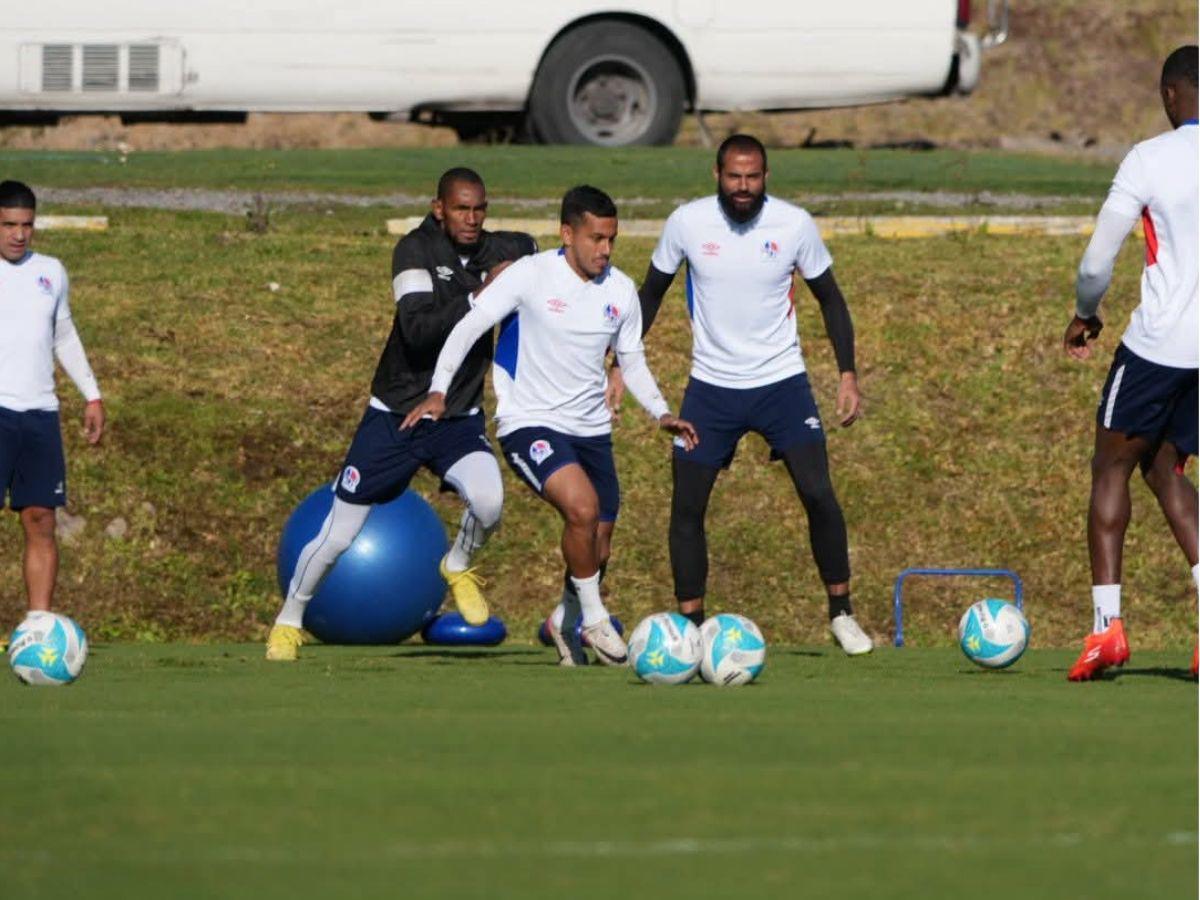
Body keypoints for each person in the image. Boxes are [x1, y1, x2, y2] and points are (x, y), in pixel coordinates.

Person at [403, 185, 698, 666]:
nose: (604, 250)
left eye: (612, 240)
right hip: (530, 423)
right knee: (581, 510)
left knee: (597, 546)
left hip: (592, 431)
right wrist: (439, 389)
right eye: (595, 238)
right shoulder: (530, 276)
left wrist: (661, 411)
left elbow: (632, 361)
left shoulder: (621, 291)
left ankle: (563, 620)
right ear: (567, 234)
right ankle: (595, 622)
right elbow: (467, 328)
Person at [266, 168, 536, 661]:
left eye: (480, 209)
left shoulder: (502, 249)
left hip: (457, 418)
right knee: (337, 536)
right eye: (461, 209)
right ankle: (290, 618)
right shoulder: (413, 252)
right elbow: (416, 330)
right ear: (439, 209)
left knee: (490, 500)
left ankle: (457, 564)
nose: (472, 219)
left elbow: (536, 251)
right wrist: (480, 293)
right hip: (395, 416)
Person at [630, 133, 872, 655]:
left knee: (817, 493)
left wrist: (847, 373)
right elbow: (650, 293)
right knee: (688, 505)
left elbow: (831, 299)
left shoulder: (794, 224)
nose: (744, 187)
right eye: (734, 177)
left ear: (766, 177)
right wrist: (617, 360)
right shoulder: (687, 224)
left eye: (753, 177)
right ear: (716, 175)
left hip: (783, 385)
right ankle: (691, 628)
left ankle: (842, 613)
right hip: (710, 390)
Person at [1062, 45, 1199, 681]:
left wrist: (1086, 312)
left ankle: (1105, 632)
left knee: (1111, 466)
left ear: (1172, 95)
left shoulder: (1149, 157)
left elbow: (1097, 261)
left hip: (1159, 347)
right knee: (1167, 470)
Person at [0, 180, 105, 645]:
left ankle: (38, 628)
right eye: (8, 225)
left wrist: (92, 394)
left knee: (41, 517)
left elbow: (64, 335)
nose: (19, 235)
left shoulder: (51, 272)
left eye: (26, 225)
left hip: (40, 414)